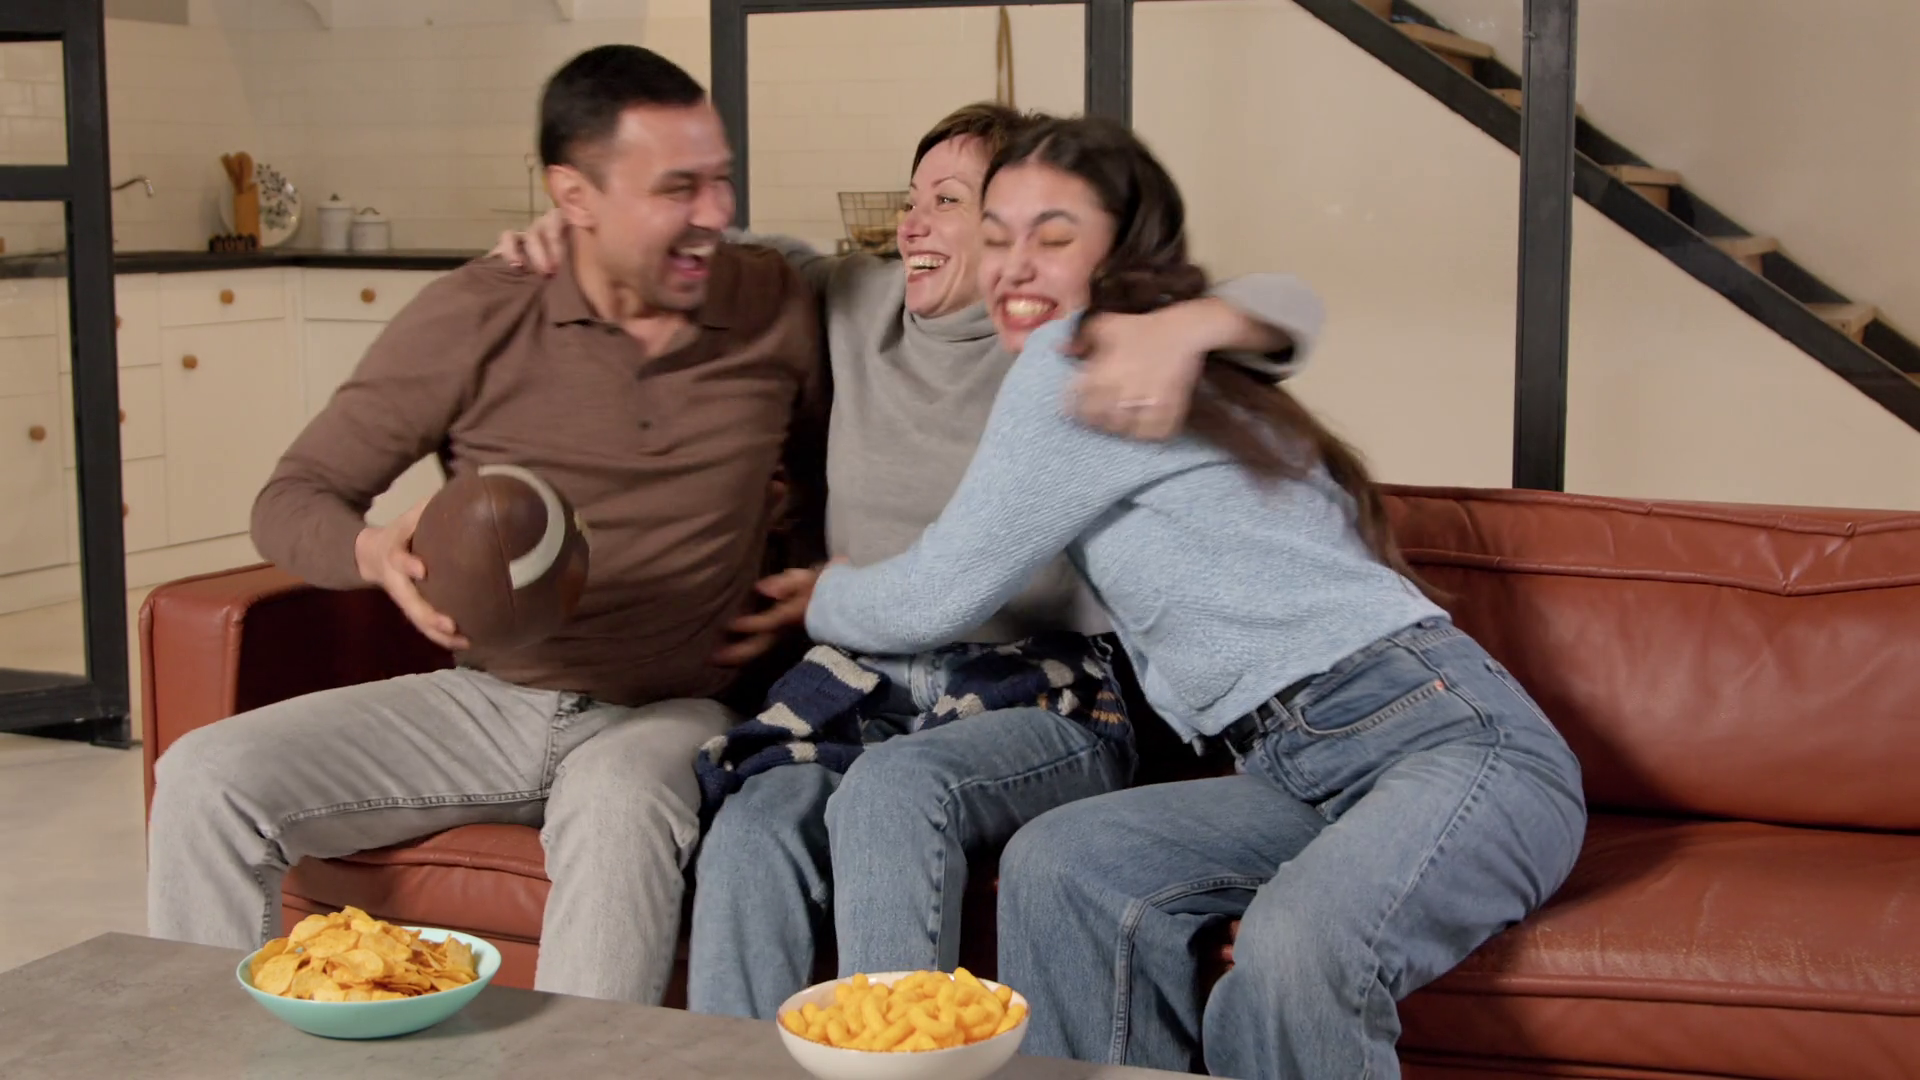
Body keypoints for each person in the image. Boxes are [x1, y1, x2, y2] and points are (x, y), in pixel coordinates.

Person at [493, 103, 1325, 1021]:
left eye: (950, 202)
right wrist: (583, 234)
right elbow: (719, 253)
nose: (914, 224)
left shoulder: (1060, 329)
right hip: (860, 683)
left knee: (896, 788)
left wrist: (1190, 324)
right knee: (751, 826)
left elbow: (1289, 308)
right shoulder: (856, 298)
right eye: (912, 199)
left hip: (1042, 689)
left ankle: (900, 1058)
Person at [801, 115, 1589, 1079]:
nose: (1013, 266)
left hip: (1454, 742)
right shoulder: (1156, 356)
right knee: (1064, 864)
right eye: (998, 236)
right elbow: (1289, 306)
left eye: (1054, 236)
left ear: (1119, 249)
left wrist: (818, 596)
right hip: (1291, 769)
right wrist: (1197, 320)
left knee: (1297, 949)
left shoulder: (1078, 363)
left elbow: (938, 592)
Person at [145, 44, 824, 1006]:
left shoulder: (773, 301)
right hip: (494, 700)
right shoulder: (475, 314)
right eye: (678, 188)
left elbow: (849, 439)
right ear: (573, 195)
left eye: (721, 180)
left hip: (680, 706)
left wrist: (821, 574)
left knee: (620, 802)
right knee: (204, 779)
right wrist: (374, 552)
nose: (715, 213)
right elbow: (293, 498)